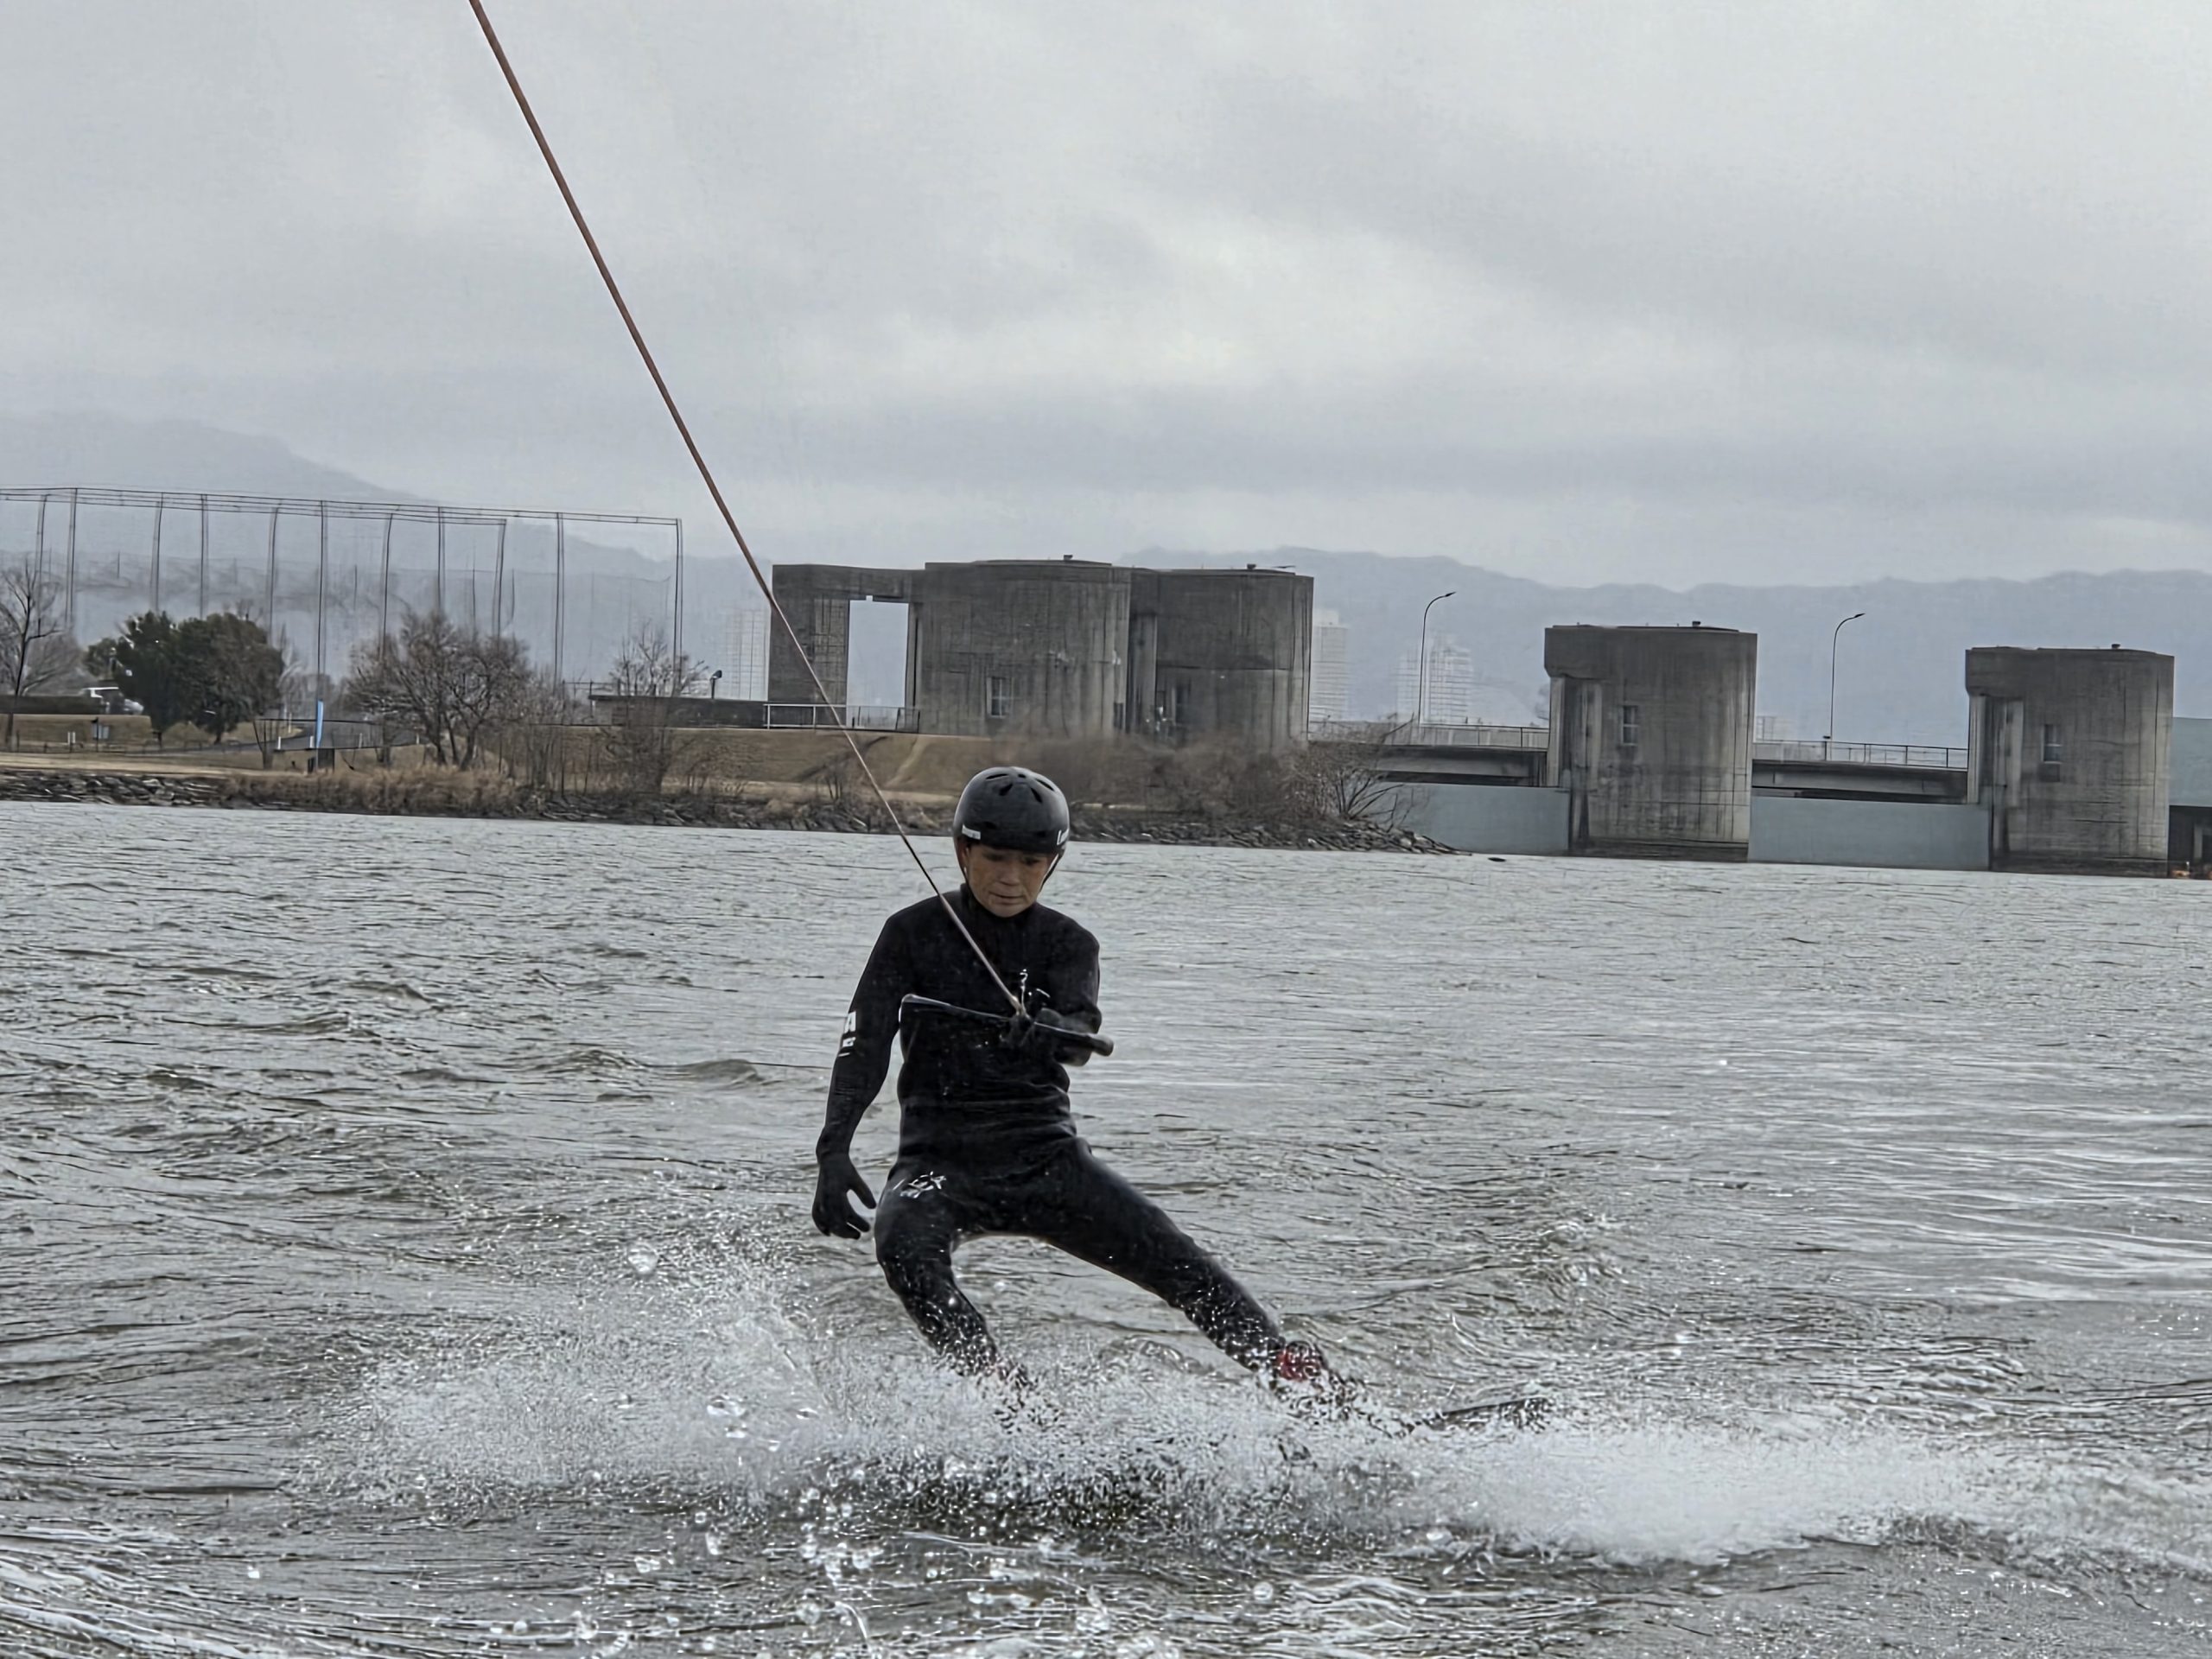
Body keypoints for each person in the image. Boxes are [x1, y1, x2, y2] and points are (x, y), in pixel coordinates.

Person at [810, 764, 1343, 1403]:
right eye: (996, 858)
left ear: (1053, 864)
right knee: (901, 1249)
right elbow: (864, 1043)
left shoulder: (1069, 944)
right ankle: (1006, 1397)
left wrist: (1049, 1029)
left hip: (1048, 1161)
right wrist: (833, 1149)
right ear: (962, 852)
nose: (1011, 878)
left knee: (1181, 1263)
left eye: (1030, 863)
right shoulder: (911, 933)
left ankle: (1297, 1381)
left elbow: (1080, 1032)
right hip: (940, 1165)